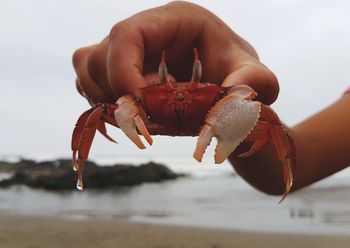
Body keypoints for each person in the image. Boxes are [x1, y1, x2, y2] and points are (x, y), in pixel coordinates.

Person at [72, 1, 350, 196]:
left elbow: (273, 129)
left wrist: (231, 107)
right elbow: (300, 162)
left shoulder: (226, 100)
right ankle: (79, 167)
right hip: (157, 108)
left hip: (219, 109)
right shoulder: (139, 97)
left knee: (267, 117)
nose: (181, 97)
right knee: (95, 113)